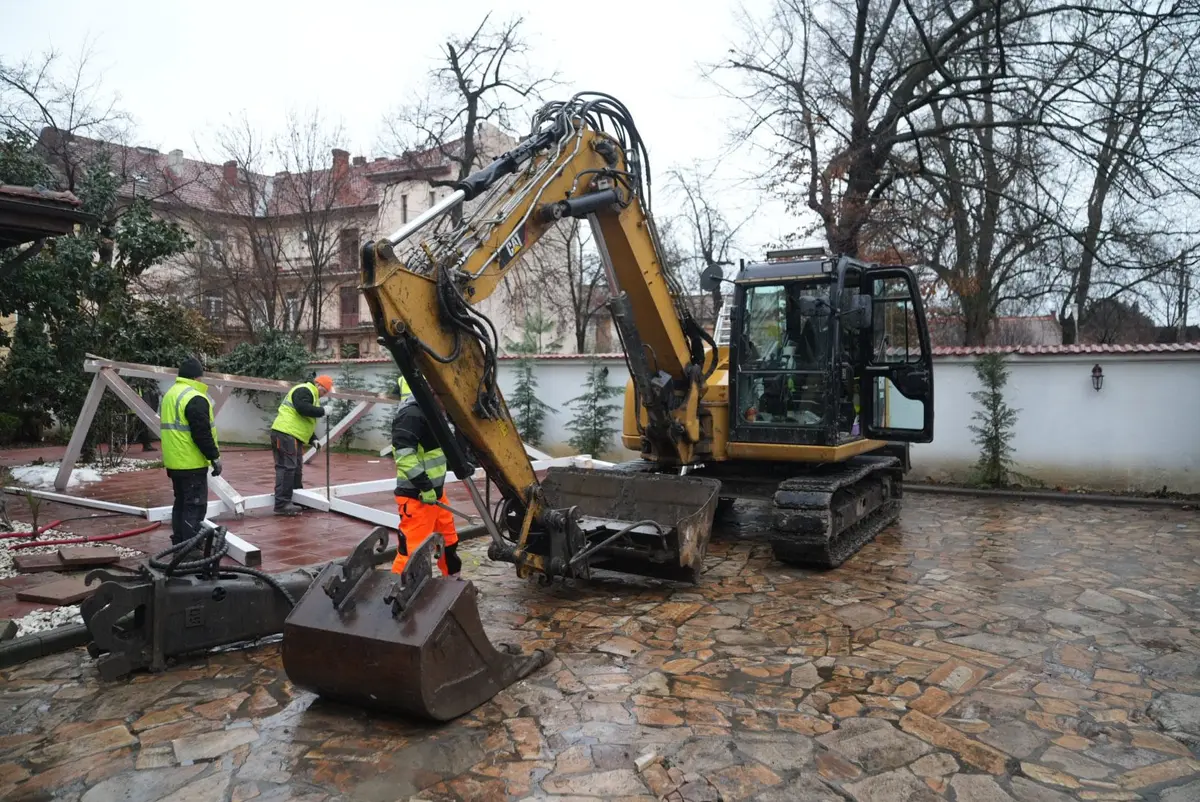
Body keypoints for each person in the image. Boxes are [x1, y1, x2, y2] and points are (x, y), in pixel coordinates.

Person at [390, 395, 461, 578]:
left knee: (449, 541)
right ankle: (398, 590)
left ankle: (453, 583)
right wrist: (424, 486)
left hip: (436, 495)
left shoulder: (433, 412)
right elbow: (404, 456)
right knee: (412, 551)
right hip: (417, 496)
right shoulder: (411, 415)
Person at [159, 357, 221, 546]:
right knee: (194, 506)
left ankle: (178, 542)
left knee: (181, 503)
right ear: (198, 378)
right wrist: (214, 457)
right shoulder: (195, 397)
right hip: (191, 462)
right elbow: (201, 433)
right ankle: (190, 548)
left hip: (174, 462)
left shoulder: (171, 394)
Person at [269, 374, 332, 515]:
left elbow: (304, 420)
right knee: (287, 468)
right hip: (285, 433)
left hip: (291, 435)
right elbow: (302, 408)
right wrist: (322, 411)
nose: (323, 395)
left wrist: (312, 438)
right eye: (324, 391)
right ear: (318, 385)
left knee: (295, 468)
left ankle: (298, 499)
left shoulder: (312, 395)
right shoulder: (305, 389)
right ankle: (282, 504)